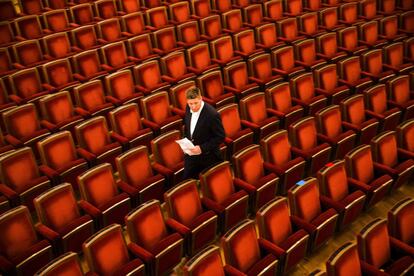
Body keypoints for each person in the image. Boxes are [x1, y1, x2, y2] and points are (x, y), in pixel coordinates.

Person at [183, 87, 225, 179]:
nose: (193, 106)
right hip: (191, 154)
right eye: (190, 103)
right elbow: (187, 126)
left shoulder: (212, 115)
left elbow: (220, 137)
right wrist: (185, 143)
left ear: (201, 98)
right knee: (187, 181)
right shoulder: (187, 107)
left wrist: (202, 148)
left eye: (195, 103)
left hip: (208, 156)